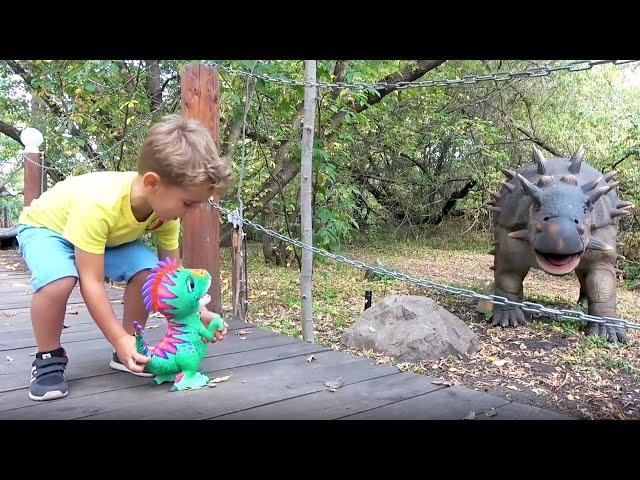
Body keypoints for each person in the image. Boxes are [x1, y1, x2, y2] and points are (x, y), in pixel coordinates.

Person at [16, 114, 233, 401]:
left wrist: (200, 313)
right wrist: (116, 337)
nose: (190, 211)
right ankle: (48, 358)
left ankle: (129, 349)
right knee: (59, 280)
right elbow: (90, 282)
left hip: (103, 240)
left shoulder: (165, 212)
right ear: (153, 183)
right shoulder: (100, 204)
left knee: (149, 270)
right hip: (47, 230)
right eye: (187, 203)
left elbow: (173, 276)